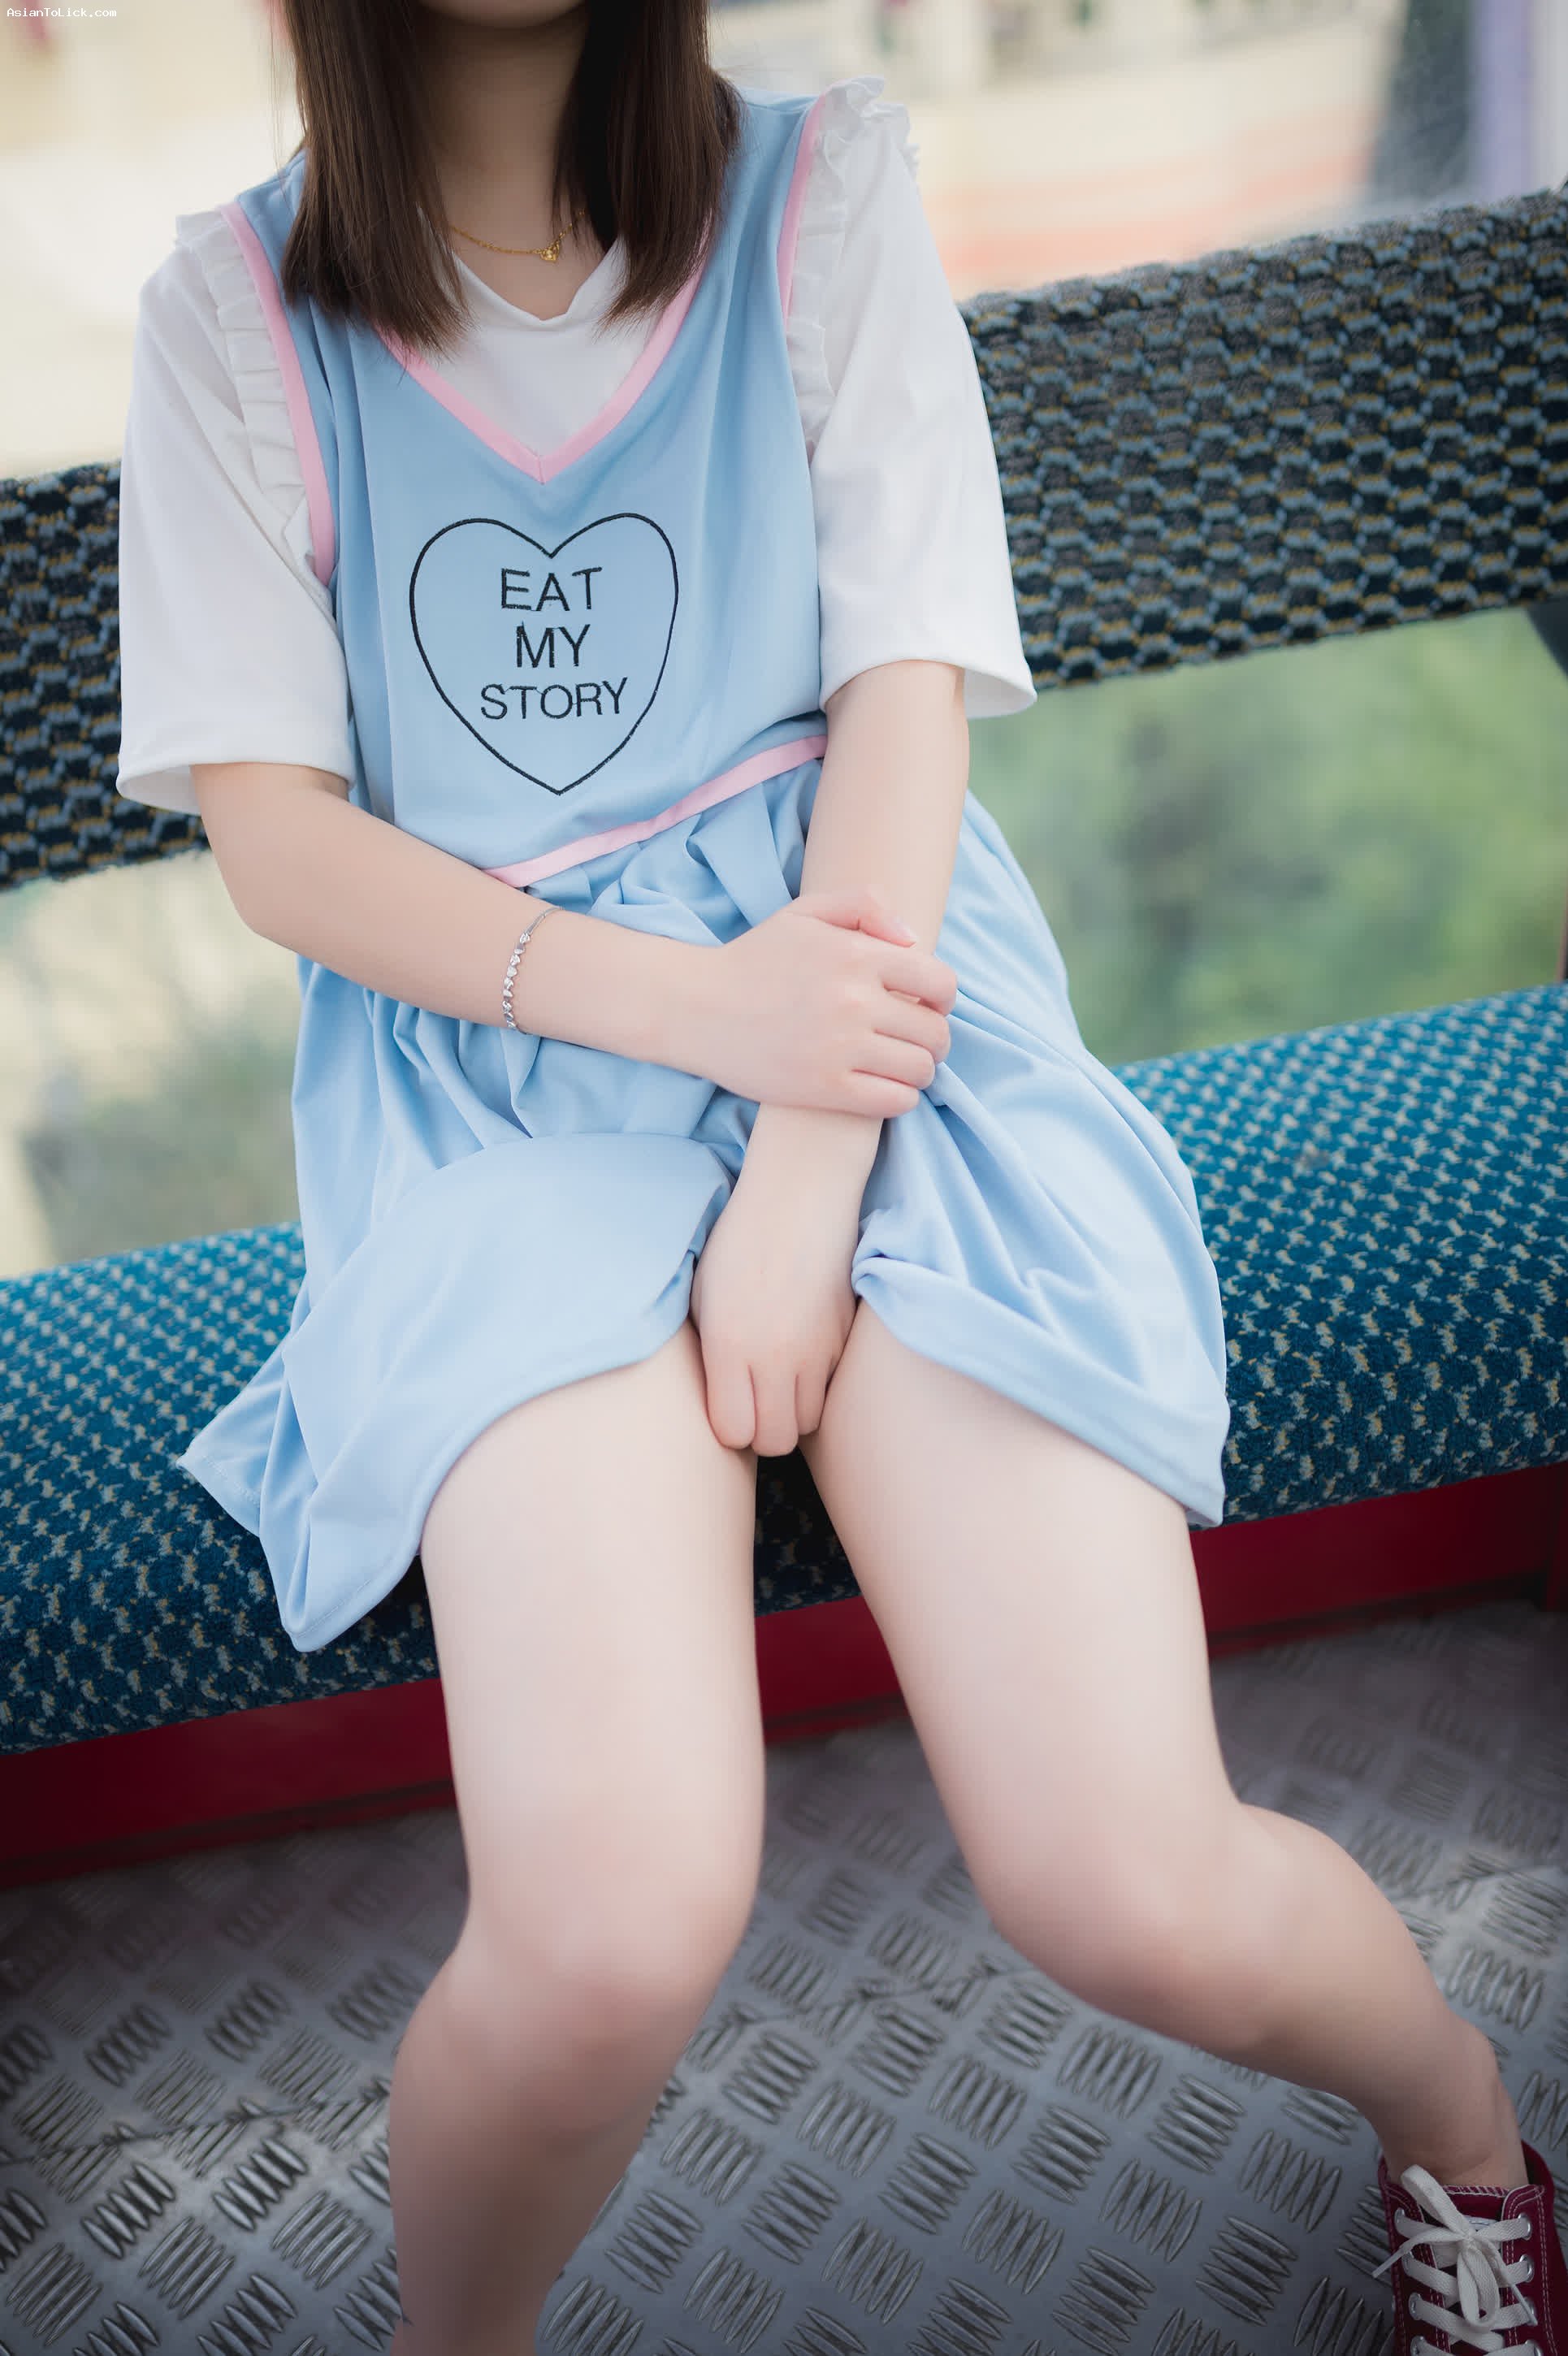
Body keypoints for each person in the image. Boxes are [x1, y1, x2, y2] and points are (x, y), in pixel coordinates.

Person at [114, 3, 1561, 2352]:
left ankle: (1464, 2124)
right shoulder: (236, 318)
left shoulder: (818, 193)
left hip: (874, 1003)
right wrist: (703, 1021)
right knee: (604, 1933)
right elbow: (282, 848)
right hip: (512, 1093)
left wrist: (806, 1151)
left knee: (1129, 1878)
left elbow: (901, 688)